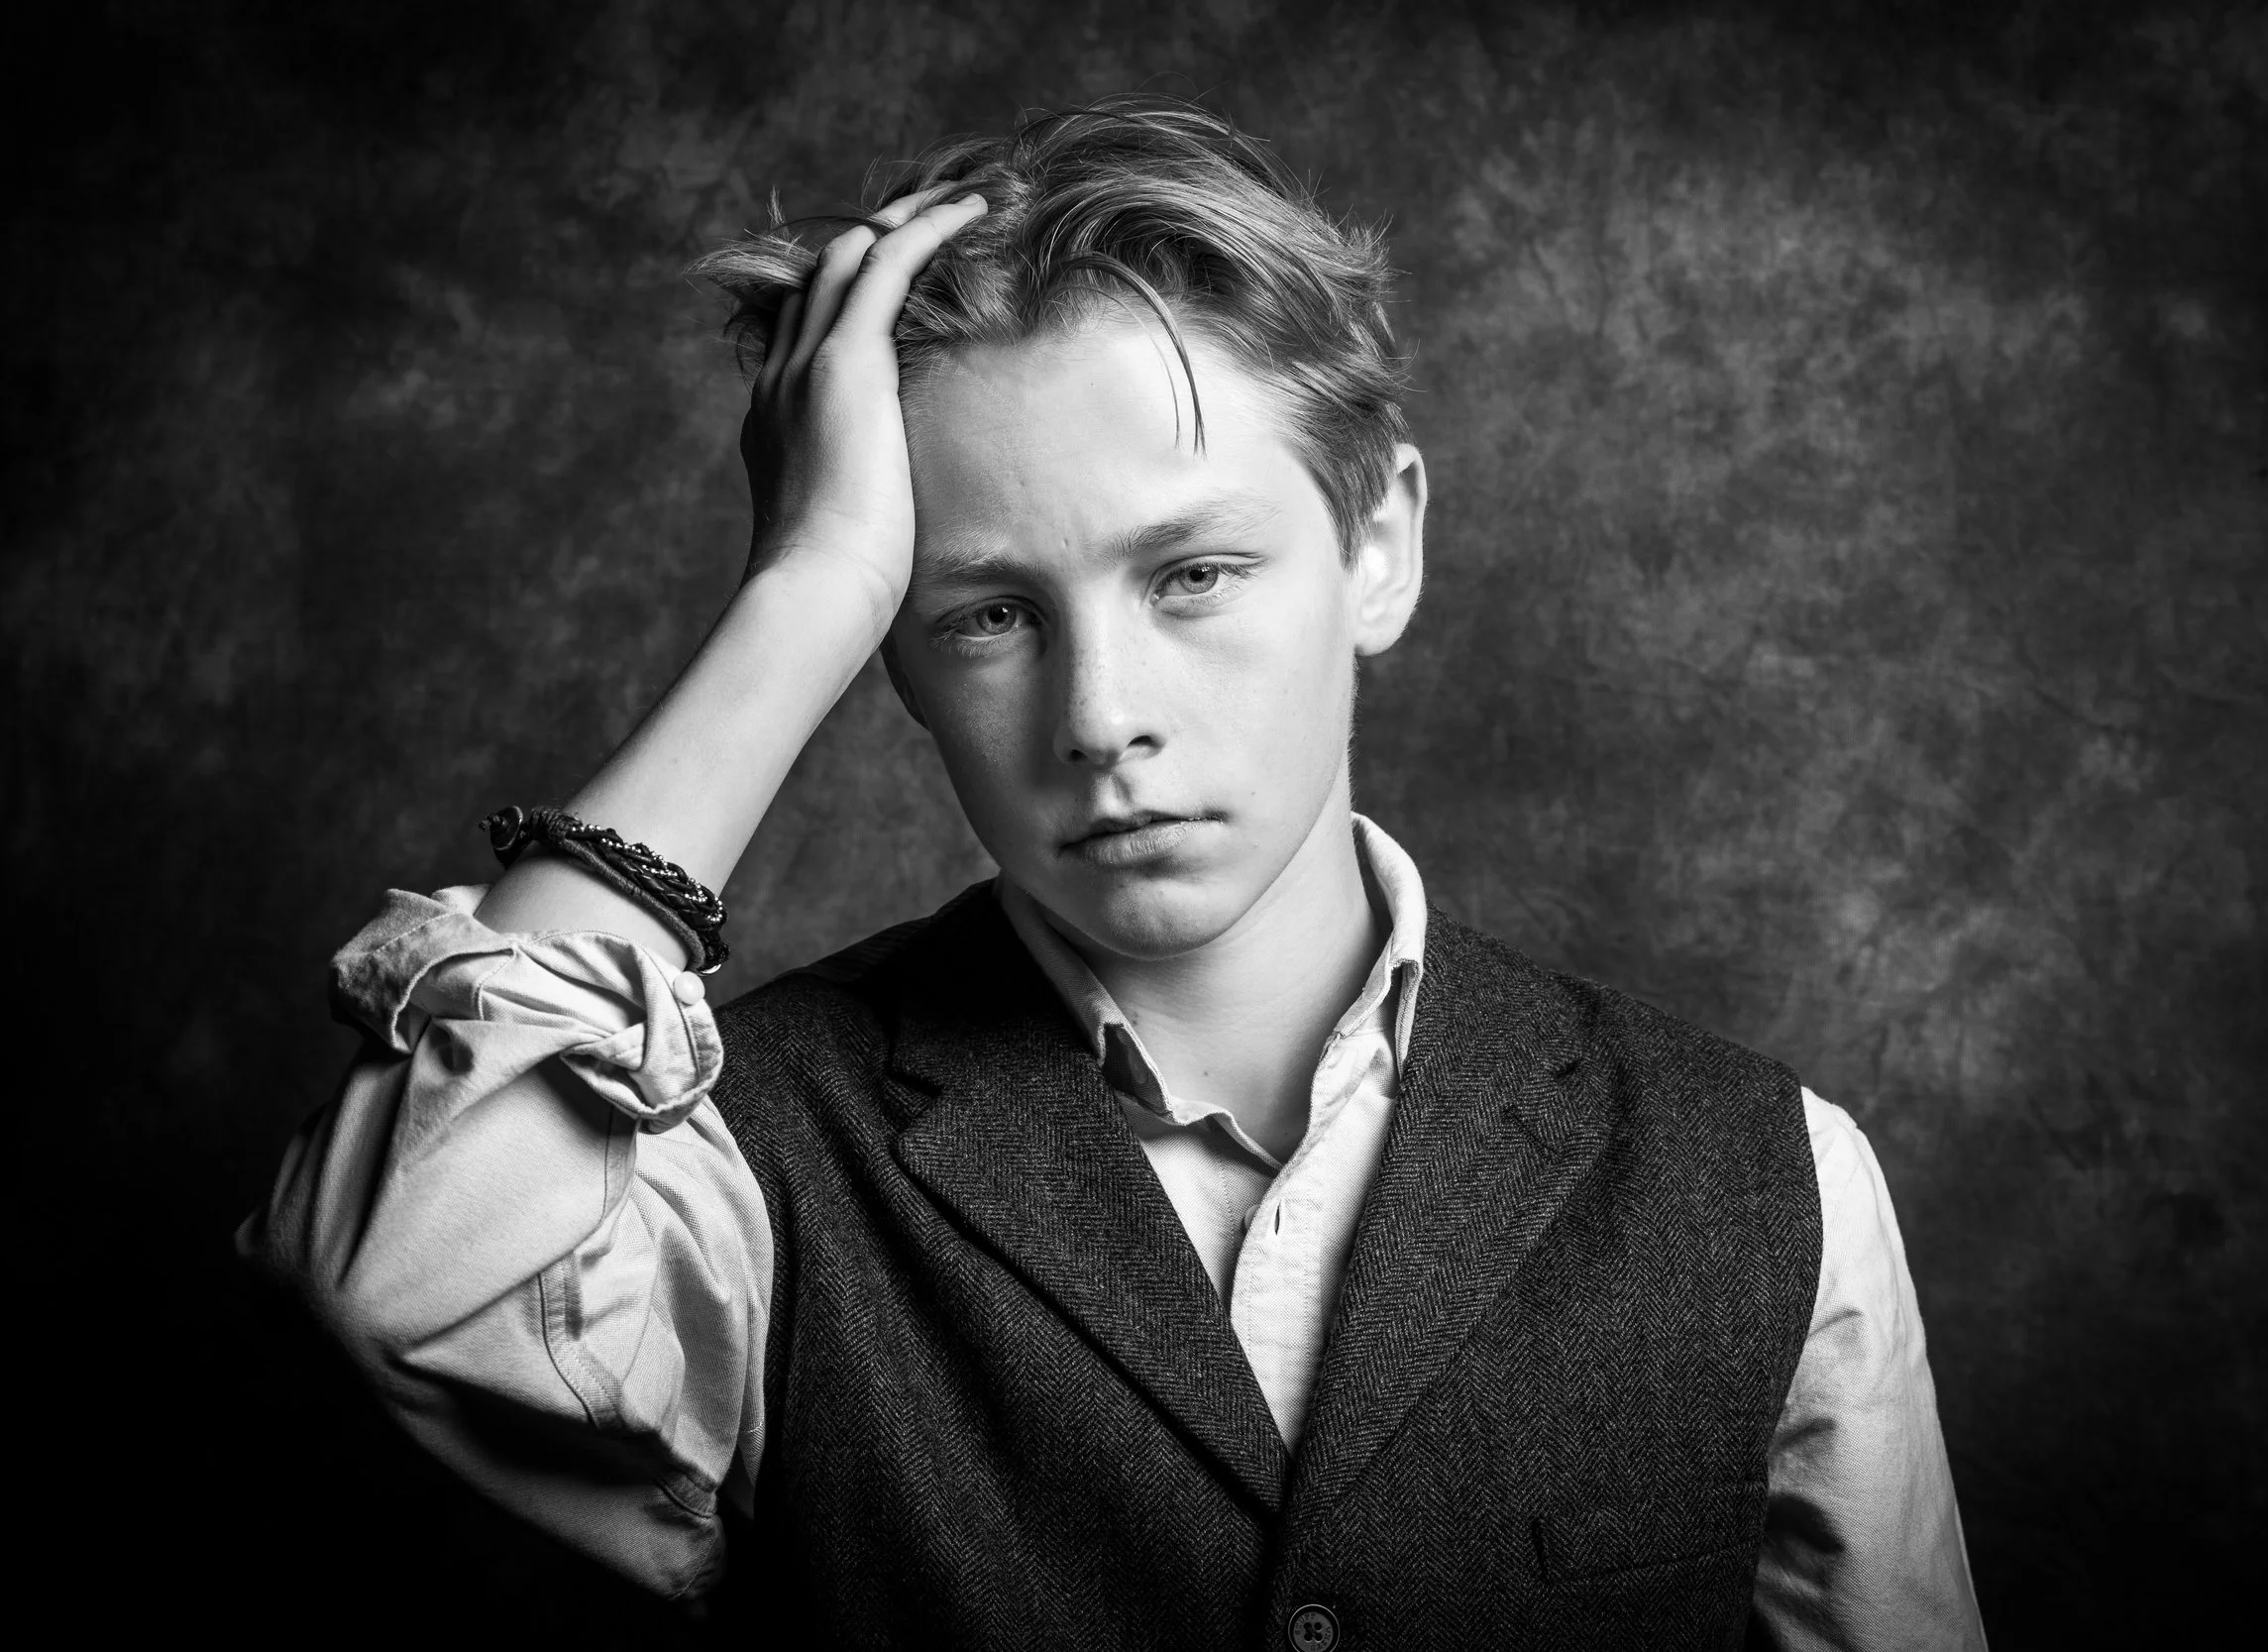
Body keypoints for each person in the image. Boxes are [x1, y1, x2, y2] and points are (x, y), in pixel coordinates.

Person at [245, 99, 1986, 1650]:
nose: (1102, 716)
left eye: (1194, 574)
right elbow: (403, 1259)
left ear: (1379, 546)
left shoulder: (1771, 1176)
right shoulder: (747, 1180)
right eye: (988, 613)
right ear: (893, 655)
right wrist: (806, 588)